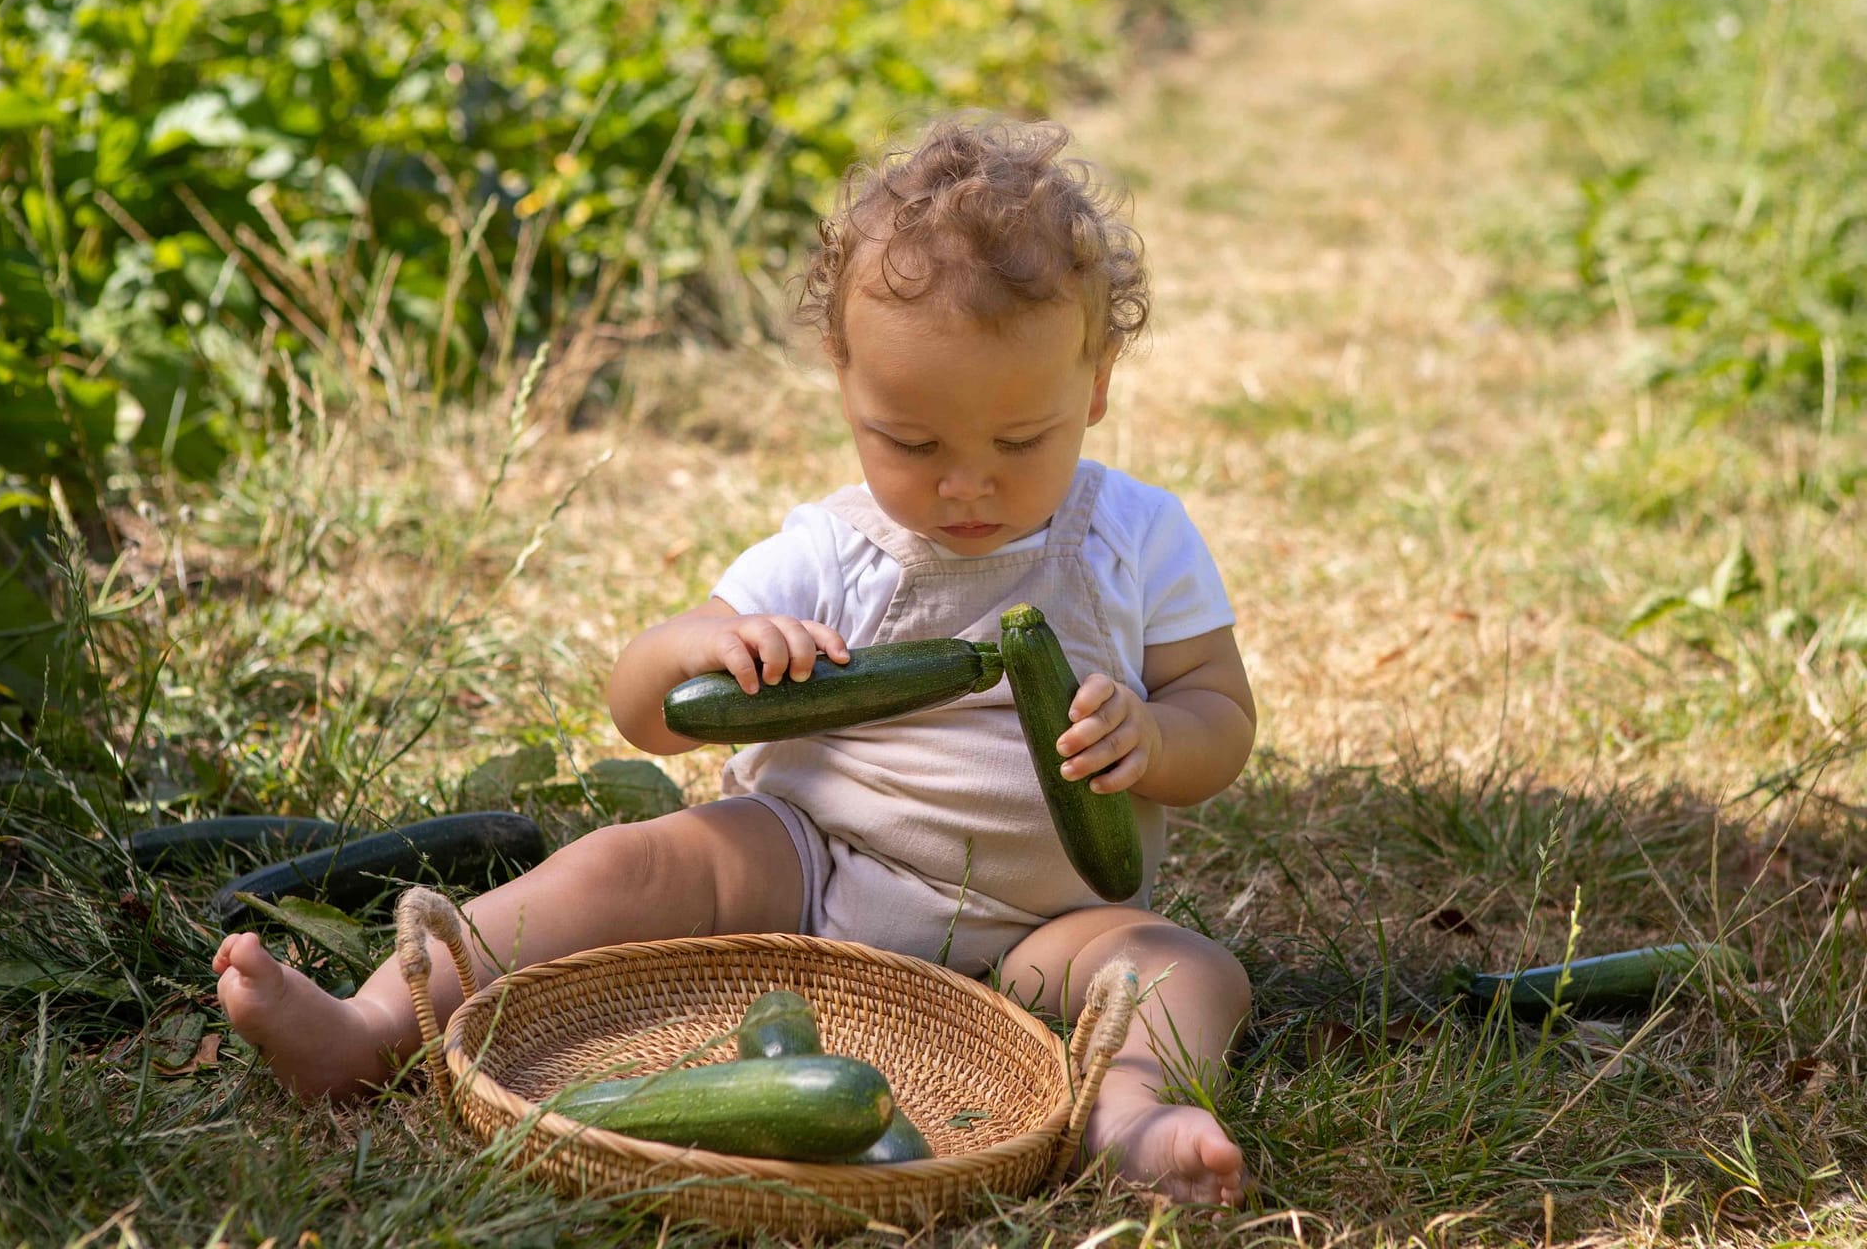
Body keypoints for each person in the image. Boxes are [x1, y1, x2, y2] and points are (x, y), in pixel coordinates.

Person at [213, 114, 1257, 1207]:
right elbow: (644, 705)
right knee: (627, 861)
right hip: (810, 866)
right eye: (911, 443)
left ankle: (1131, 1115)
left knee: (1189, 970)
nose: (966, 485)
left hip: (1046, 930)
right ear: (845, 383)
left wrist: (1156, 738)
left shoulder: (1134, 536)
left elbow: (1219, 714)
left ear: (1096, 383)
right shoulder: (833, 548)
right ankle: (374, 1022)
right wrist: (707, 648)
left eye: (1019, 441)